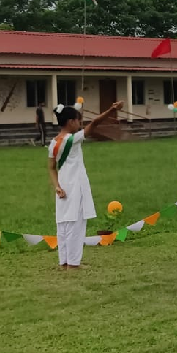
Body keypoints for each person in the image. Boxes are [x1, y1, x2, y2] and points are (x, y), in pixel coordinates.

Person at [48, 101, 124, 270]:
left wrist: (56, 186)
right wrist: (112, 109)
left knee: (63, 224)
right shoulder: (72, 140)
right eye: (78, 120)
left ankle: (64, 261)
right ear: (70, 122)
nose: (80, 124)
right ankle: (73, 263)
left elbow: (51, 168)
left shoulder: (53, 143)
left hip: (63, 186)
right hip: (75, 186)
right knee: (76, 224)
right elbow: (95, 123)